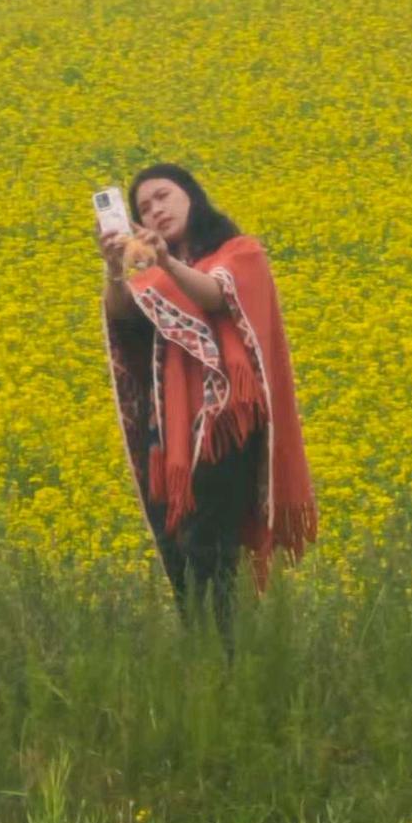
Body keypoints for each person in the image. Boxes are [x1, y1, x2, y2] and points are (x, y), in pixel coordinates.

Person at [99, 163, 316, 650]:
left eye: (163, 196)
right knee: (181, 548)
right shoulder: (154, 276)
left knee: (210, 544)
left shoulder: (241, 251)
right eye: (144, 208)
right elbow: (123, 313)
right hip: (172, 436)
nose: (155, 209)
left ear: (191, 196)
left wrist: (166, 264)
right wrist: (115, 268)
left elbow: (218, 293)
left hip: (224, 424)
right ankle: (209, 654)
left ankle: (229, 658)